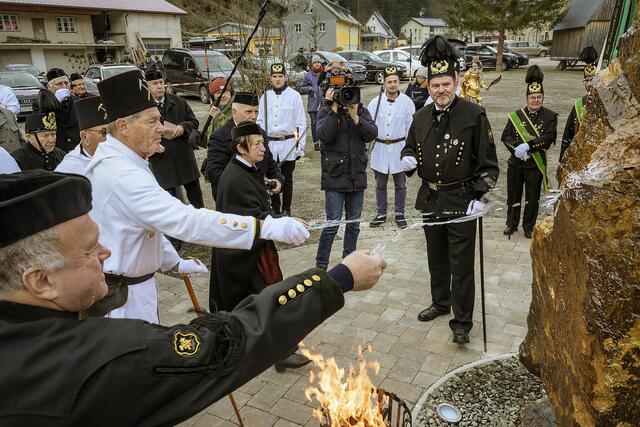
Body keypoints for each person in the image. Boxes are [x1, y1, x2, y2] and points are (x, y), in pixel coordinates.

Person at [0, 169, 387, 426]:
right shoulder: (97, 360)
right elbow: (225, 345)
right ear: (40, 281)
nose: (105, 254)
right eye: (88, 251)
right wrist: (336, 279)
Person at [85, 70, 309, 323]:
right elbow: (185, 220)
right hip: (124, 300)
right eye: (151, 122)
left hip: (135, 288)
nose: (162, 129)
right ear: (123, 126)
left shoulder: (127, 160)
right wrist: (262, 227)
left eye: (159, 120)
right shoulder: (120, 173)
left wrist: (174, 263)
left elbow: (147, 226)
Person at [401, 36, 499, 344]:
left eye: (445, 84)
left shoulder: (474, 116)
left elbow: (489, 165)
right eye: (435, 85)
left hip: (462, 200)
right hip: (431, 198)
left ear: (456, 82)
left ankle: (462, 322)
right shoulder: (419, 117)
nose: (441, 90)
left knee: (461, 263)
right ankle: (440, 303)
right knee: (436, 258)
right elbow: (411, 147)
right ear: (427, 86)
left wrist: (480, 196)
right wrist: (407, 158)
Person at [315, 68, 378, 270]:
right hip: (334, 176)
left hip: (356, 176)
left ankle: (348, 264)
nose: (343, 94)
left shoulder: (359, 109)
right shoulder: (325, 110)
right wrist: (333, 109)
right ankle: (320, 265)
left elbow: (372, 133)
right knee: (332, 224)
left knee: (354, 224)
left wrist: (355, 116)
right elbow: (324, 136)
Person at [502, 65, 557, 239]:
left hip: (535, 165)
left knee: (532, 199)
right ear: (527, 98)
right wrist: (517, 149)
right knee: (513, 196)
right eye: (532, 97)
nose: (536, 100)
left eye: (539, 97)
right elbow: (506, 136)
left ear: (543, 97)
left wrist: (529, 146)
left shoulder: (550, 116)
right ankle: (511, 224)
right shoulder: (516, 116)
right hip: (516, 163)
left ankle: (528, 226)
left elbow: (549, 137)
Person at [146, 70, 204, 214]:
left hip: (184, 157)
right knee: (171, 204)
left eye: (161, 82)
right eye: (154, 84)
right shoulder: (144, 108)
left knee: (197, 200)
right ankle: (177, 235)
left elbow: (194, 122)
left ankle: (203, 228)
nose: (159, 86)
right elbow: (137, 134)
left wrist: (183, 127)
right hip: (162, 161)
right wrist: (151, 146)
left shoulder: (178, 102)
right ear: (147, 86)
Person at [206, 91, 283, 200]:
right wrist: (250, 183)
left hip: (261, 198)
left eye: (256, 111)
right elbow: (214, 172)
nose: (254, 116)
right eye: (249, 112)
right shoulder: (220, 136)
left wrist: (278, 180)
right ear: (234, 112)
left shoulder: (261, 133)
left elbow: (269, 162)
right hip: (234, 200)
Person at [367, 66, 415, 229]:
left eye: (395, 81)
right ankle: (381, 213)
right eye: (390, 82)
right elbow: (368, 125)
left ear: (399, 82)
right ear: (384, 83)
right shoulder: (375, 102)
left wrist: (410, 150)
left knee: (400, 184)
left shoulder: (407, 103)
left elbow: (411, 128)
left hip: (399, 147)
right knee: (380, 183)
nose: (393, 85)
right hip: (380, 147)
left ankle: (399, 213)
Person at [257, 63, 306, 216]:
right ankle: (275, 209)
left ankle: (287, 209)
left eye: (280, 76)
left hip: (288, 143)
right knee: (271, 177)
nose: (277, 79)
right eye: (274, 76)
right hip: (270, 143)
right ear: (270, 78)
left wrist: (299, 146)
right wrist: (261, 143)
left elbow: (300, 124)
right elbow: (260, 122)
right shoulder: (265, 97)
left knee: (287, 178)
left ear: (285, 77)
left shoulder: (294, 96)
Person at [560, 46, 598, 162]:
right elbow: (568, 134)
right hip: (580, 158)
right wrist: (563, 159)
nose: (589, 84)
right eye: (587, 81)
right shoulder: (579, 104)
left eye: (592, 80)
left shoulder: (609, 103)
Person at [55, 96, 108, 175]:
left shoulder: (120, 155)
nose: (110, 138)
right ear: (85, 137)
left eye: (112, 132)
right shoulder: (67, 171)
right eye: (104, 132)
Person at [36, 68, 80, 153]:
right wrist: (55, 102)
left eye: (66, 83)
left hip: (76, 149)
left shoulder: (78, 101)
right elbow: (42, 124)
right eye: (59, 84)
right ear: (49, 87)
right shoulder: (42, 104)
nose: (64, 86)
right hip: (57, 150)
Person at [298, 55, 324, 151]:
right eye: (315, 62)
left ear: (321, 63)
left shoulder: (325, 74)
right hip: (313, 105)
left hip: (324, 104)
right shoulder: (308, 75)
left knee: (324, 123)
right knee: (314, 124)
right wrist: (309, 89)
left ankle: (324, 142)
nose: (317, 64)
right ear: (312, 64)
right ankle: (316, 143)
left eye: (318, 62)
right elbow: (301, 87)